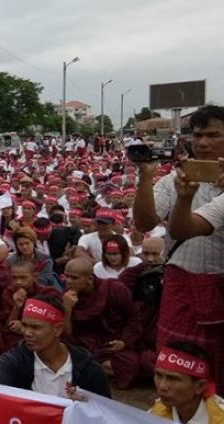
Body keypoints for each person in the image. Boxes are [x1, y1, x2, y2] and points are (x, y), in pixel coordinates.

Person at [133, 105, 224, 396]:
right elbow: (145, 221)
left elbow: (182, 228)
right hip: (181, 285)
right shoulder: (175, 180)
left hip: (220, 285)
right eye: (198, 135)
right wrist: (145, 178)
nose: (204, 143)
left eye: (214, 135)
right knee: (176, 367)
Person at [0, 295, 112, 399]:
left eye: (36, 327)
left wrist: (85, 405)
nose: (27, 333)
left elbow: (105, 412)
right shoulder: (13, 362)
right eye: (25, 325)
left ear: (57, 329)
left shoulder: (89, 370)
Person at [63, 257, 142, 389]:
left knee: (131, 365)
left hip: (112, 341)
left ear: (89, 279)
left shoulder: (115, 289)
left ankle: (93, 366)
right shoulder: (68, 297)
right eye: (66, 277)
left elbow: (133, 318)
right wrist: (67, 309)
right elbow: (67, 335)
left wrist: (124, 342)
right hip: (85, 344)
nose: (68, 282)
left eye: (74, 278)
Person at [0, 260, 61, 364]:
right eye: (14, 278)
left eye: (23, 278)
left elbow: (52, 323)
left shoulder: (48, 293)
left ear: (35, 277)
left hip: (40, 333)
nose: (18, 282)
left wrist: (24, 327)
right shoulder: (9, 292)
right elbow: (10, 325)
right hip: (16, 334)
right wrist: (16, 307)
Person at [118, 237, 166, 380]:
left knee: (149, 360)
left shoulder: (172, 275)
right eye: (146, 254)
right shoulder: (131, 274)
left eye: (155, 254)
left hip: (160, 333)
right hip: (135, 333)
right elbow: (120, 301)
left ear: (164, 253)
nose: (150, 259)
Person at [149, 341, 224, 423]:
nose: (162, 386)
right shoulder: (157, 411)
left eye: (173, 378)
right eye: (158, 375)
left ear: (200, 386)